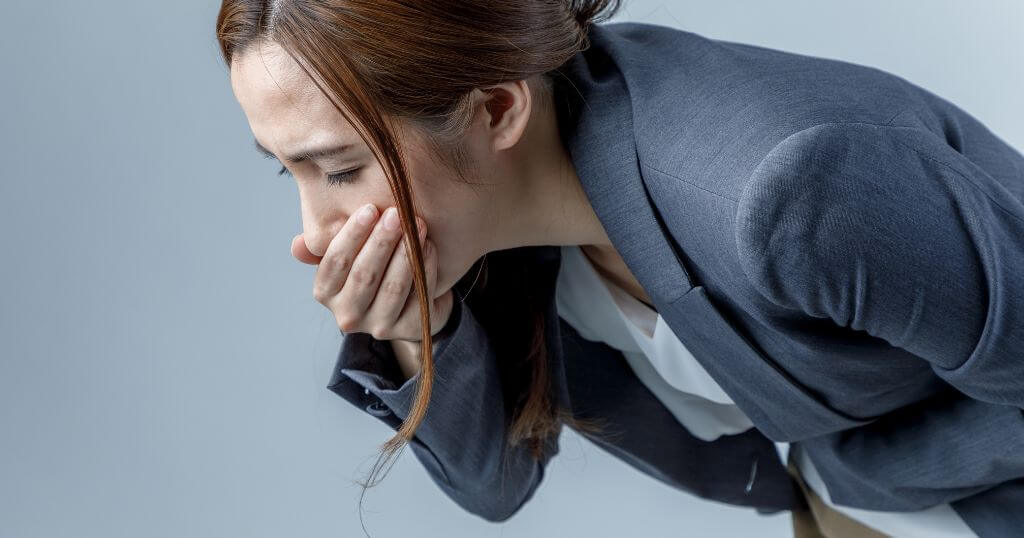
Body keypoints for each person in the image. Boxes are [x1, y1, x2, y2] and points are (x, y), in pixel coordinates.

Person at [218, 1, 1024, 536]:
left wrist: (850, 472)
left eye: (342, 168)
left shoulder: (789, 193)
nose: (315, 232)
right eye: (288, 168)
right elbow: (495, 487)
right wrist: (417, 330)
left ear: (497, 108)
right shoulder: (487, 221)